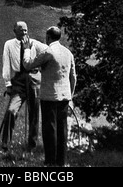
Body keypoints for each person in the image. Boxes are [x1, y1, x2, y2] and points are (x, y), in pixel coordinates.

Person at [22, 26, 77, 167]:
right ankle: (61, 161)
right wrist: (70, 95)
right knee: (62, 128)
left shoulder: (48, 51)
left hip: (49, 96)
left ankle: (50, 161)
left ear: (48, 37)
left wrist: (27, 49)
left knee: (49, 128)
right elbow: (73, 77)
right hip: (64, 96)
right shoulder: (68, 53)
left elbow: (28, 65)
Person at [1, 21, 47, 152]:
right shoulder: (9, 44)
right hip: (19, 80)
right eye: (21, 30)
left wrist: (43, 68)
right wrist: (8, 84)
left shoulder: (35, 43)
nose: (24, 33)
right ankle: (5, 143)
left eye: (26, 30)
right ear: (14, 31)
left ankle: (31, 145)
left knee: (34, 113)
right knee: (11, 110)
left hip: (34, 78)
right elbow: (6, 64)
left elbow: (49, 52)